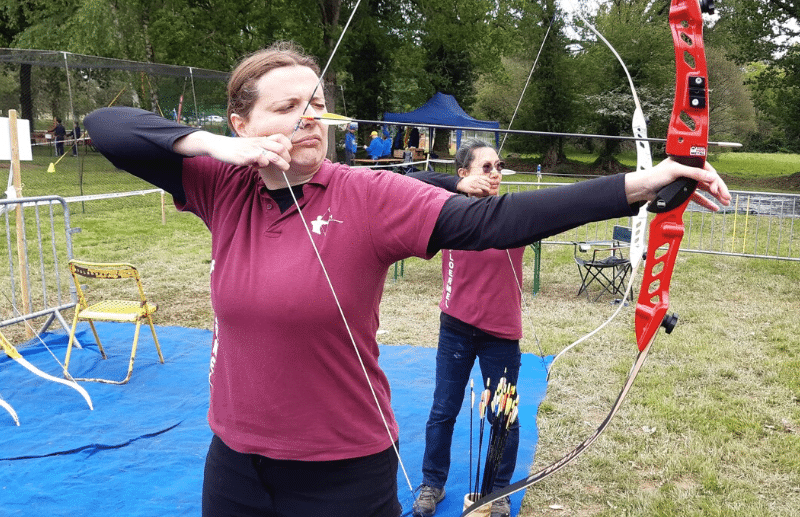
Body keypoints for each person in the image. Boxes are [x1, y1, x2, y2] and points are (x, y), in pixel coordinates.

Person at [83, 41, 730, 517]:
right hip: (234, 470)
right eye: (287, 108)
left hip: (343, 473)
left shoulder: (369, 194)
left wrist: (639, 186)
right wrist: (225, 152)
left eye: (319, 106)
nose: (310, 118)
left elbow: (493, 222)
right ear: (242, 123)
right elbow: (107, 128)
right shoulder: (222, 184)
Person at [407, 140, 522, 517]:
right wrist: (456, 188)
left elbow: (573, 206)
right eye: (485, 168)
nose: (494, 174)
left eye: (498, 167)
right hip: (455, 327)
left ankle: (498, 490)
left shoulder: (512, 212)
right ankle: (432, 484)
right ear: (463, 174)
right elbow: (410, 180)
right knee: (444, 409)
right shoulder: (448, 210)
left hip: (501, 333)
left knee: (502, 415)